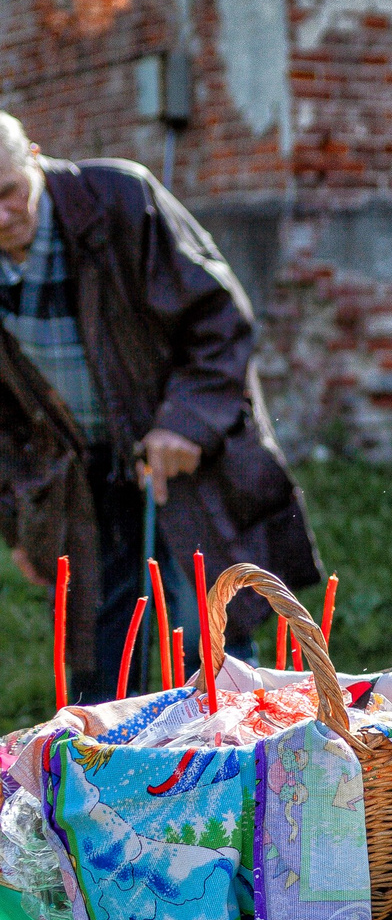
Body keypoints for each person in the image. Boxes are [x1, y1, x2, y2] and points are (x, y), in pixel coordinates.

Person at [0, 114, 319, 700]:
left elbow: (219, 318)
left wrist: (185, 423)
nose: (1, 217)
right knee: (101, 657)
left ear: (35, 159)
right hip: (79, 475)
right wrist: (17, 519)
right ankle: (109, 756)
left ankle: (232, 745)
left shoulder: (120, 199)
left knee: (208, 632)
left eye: (9, 193)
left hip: (176, 453)